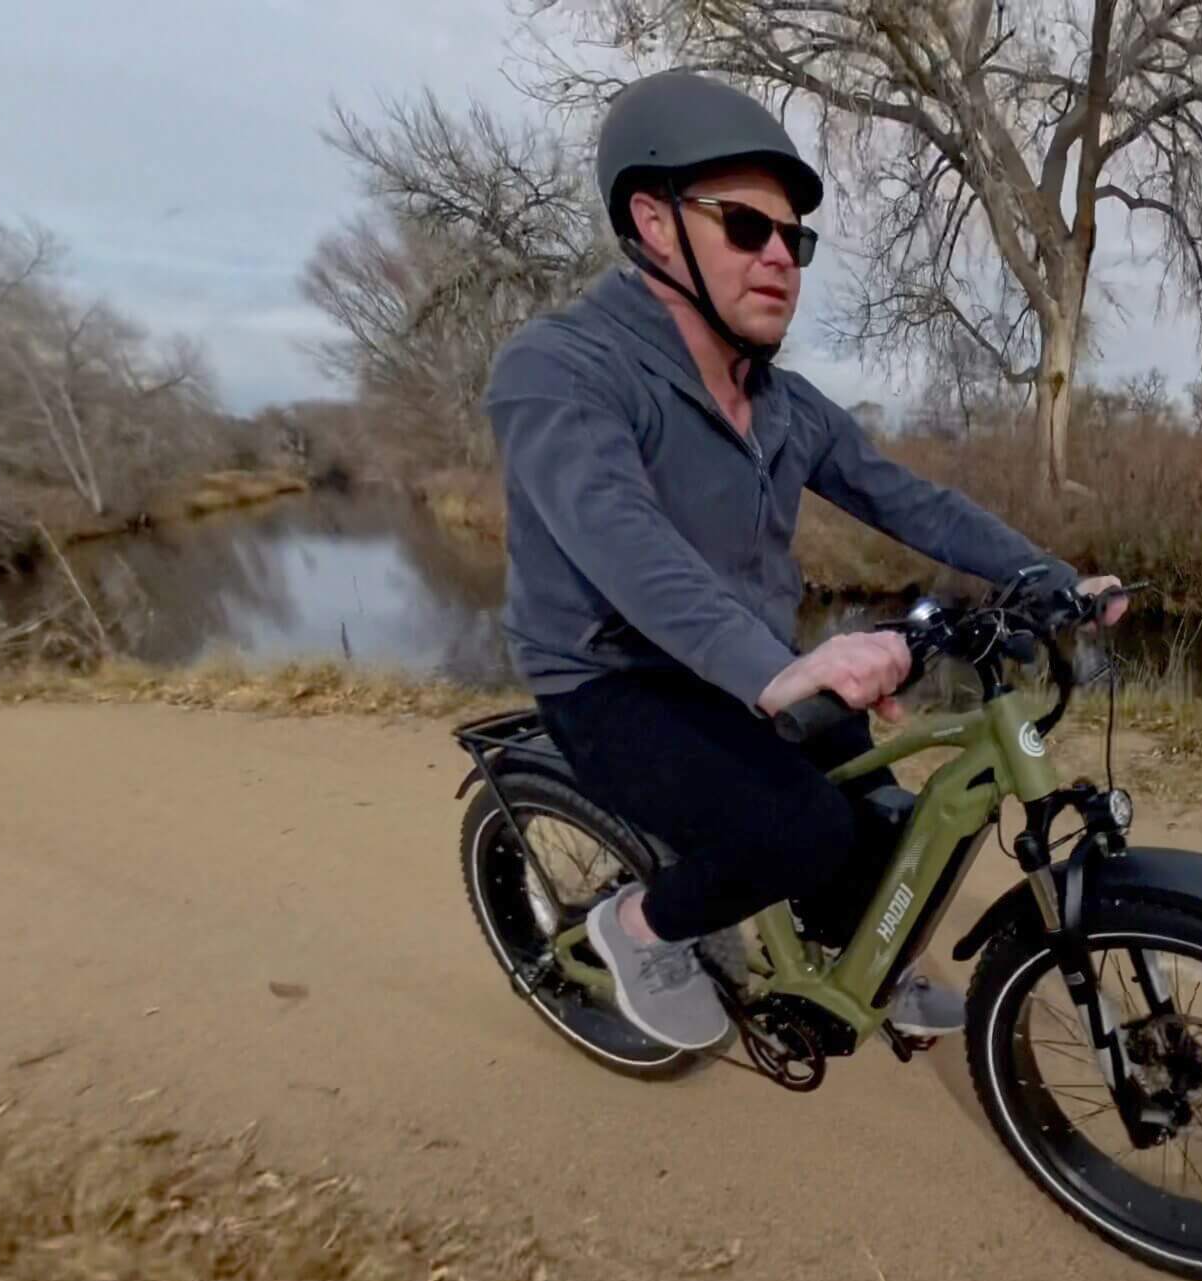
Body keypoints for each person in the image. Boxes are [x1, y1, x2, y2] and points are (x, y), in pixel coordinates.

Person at [482, 69, 1125, 1053]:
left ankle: (859, 955)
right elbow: (619, 538)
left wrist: (1043, 573)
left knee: (886, 808)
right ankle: (636, 929)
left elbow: (902, 496)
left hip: (741, 661)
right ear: (654, 224)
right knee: (797, 831)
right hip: (614, 675)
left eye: (795, 240)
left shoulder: (781, 402)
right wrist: (781, 670)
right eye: (747, 228)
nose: (781, 258)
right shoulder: (559, 370)